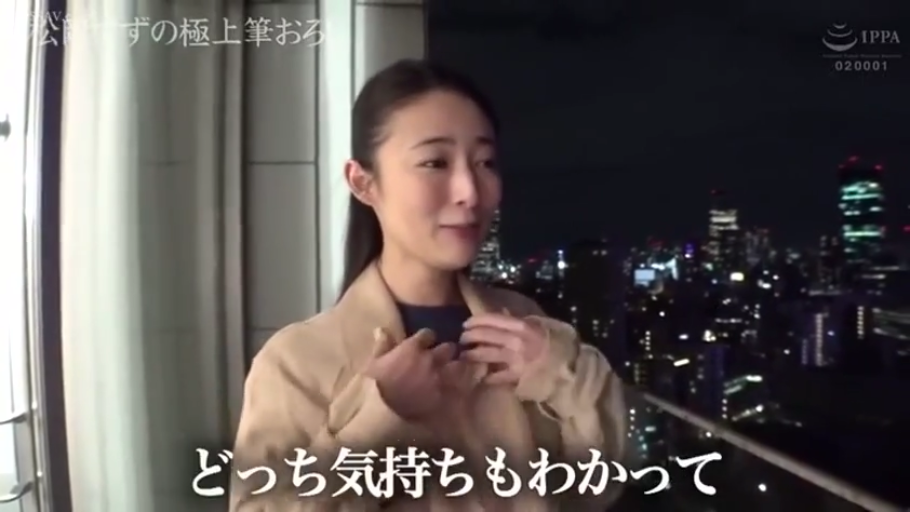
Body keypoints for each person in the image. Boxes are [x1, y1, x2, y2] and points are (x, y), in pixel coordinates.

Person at [229, 59, 627, 512]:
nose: (470, 192)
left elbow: (596, 489)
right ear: (363, 182)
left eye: (485, 162)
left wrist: (562, 374)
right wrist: (378, 421)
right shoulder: (297, 362)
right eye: (435, 162)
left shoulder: (523, 325)